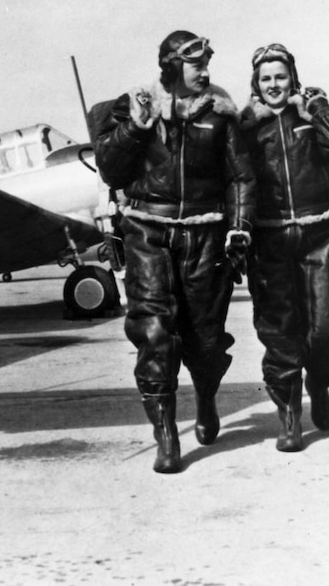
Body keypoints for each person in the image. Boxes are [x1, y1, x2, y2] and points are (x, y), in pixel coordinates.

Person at [94, 30, 255, 474]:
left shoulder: (221, 116)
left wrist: (239, 229)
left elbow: (240, 178)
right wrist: (136, 126)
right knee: (155, 335)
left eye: (207, 63)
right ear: (170, 67)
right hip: (148, 232)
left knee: (205, 341)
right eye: (195, 64)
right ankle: (166, 434)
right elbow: (110, 168)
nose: (204, 71)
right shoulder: (139, 107)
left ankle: (205, 396)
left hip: (205, 235)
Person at [239, 44, 329, 452]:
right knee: (280, 334)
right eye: (265, 78)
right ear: (256, 85)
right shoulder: (245, 128)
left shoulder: (311, 116)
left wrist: (318, 106)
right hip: (269, 240)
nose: (274, 85)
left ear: (292, 78)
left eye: (280, 76)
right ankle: (289, 413)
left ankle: (321, 382)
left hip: (321, 234)